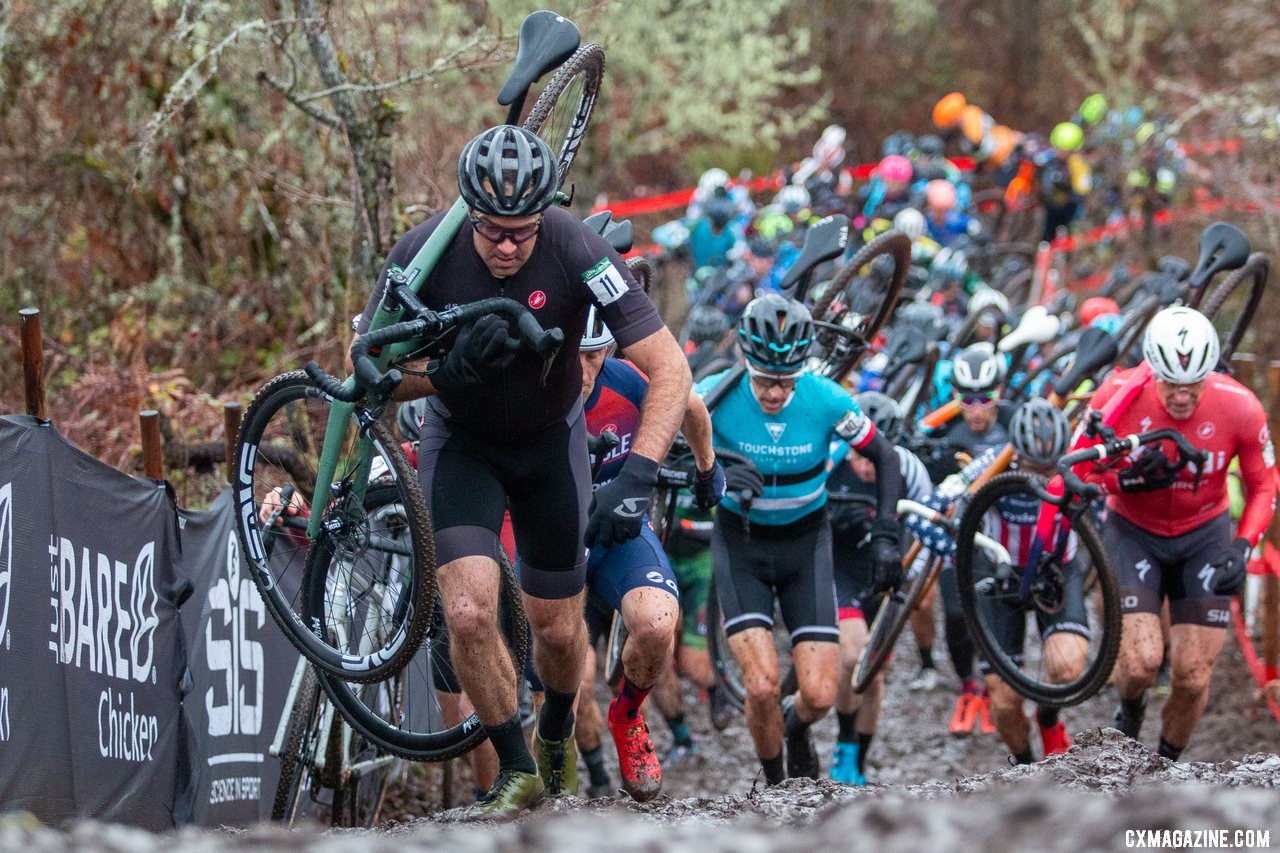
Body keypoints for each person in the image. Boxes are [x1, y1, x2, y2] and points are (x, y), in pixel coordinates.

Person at [354, 125, 692, 817]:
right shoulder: (423, 252)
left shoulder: (577, 249)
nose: (507, 246)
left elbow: (671, 368)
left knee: (559, 630)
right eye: (491, 232)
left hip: (550, 443)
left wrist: (639, 475)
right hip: (463, 441)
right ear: (466, 211)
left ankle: (560, 730)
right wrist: (440, 372)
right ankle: (516, 766)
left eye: (522, 231)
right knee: (468, 610)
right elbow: (368, 369)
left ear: (546, 213)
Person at [696, 294, 904, 785]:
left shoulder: (825, 398)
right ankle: (775, 786)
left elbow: (887, 458)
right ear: (746, 359)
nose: (773, 393)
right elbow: (672, 452)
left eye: (785, 382)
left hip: (805, 546)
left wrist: (886, 536)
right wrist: (717, 473)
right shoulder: (714, 394)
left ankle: (794, 730)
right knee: (763, 685)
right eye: (765, 380)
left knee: (819, 696)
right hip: (741, 545)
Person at [1078, 306, 1275, 759]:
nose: (1182, 397)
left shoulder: (1240, 404)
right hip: (1133, 528)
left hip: (1204, 533)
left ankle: (1164, 769)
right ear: (1151, 372)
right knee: (1140, 665)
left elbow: (1264, 483)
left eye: (1194, 385)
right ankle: (1130, 708)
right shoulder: (1117, 394)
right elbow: (1074, 472)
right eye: (1170, 384)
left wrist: (1243, 547)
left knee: (1191, 677)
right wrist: (1125, 479)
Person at [573, 307, 725, 801]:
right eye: (572, 356)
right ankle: (577, 778)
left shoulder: (625, 380)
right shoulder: (530, 391)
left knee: (659, 623)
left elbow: (692, 408)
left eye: (594, 355)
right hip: (552, 545)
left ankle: (628, 715)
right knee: (570, 681)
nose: (583, 371)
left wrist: (707, 470)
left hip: (618, 537)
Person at [825, 391, 932, 784]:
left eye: (874, 459)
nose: (866, 468)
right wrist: (834, 518)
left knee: (873, 675)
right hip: (842, 571)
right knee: (853, 657)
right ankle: (843, 741)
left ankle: (858, 759)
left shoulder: (909, 469)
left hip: (886, 576)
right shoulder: (830, 459)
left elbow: (929, 527)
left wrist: (913, 577)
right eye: (859, 457)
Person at [917, 342, 1015, 737]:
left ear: (1000, 393)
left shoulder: (1014, 423)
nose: (976, 409)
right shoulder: (943, 432)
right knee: (957, 616)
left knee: (996, 609)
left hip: (1002, 536)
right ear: (955, 396)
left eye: (985, 397)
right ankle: (968, 686)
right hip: (959, 539)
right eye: (967, 399)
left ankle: (997, 684)